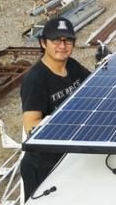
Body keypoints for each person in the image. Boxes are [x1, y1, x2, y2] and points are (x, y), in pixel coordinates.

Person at [20, 17, 90, 201]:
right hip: (44, 166)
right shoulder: (35, 80)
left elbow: (94, 86)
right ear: (43, 42)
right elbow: (31, 127)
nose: (63, 45)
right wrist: (68, 126)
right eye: (56, 40)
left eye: (68, 40)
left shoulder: (72, 66)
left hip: (70, 154)